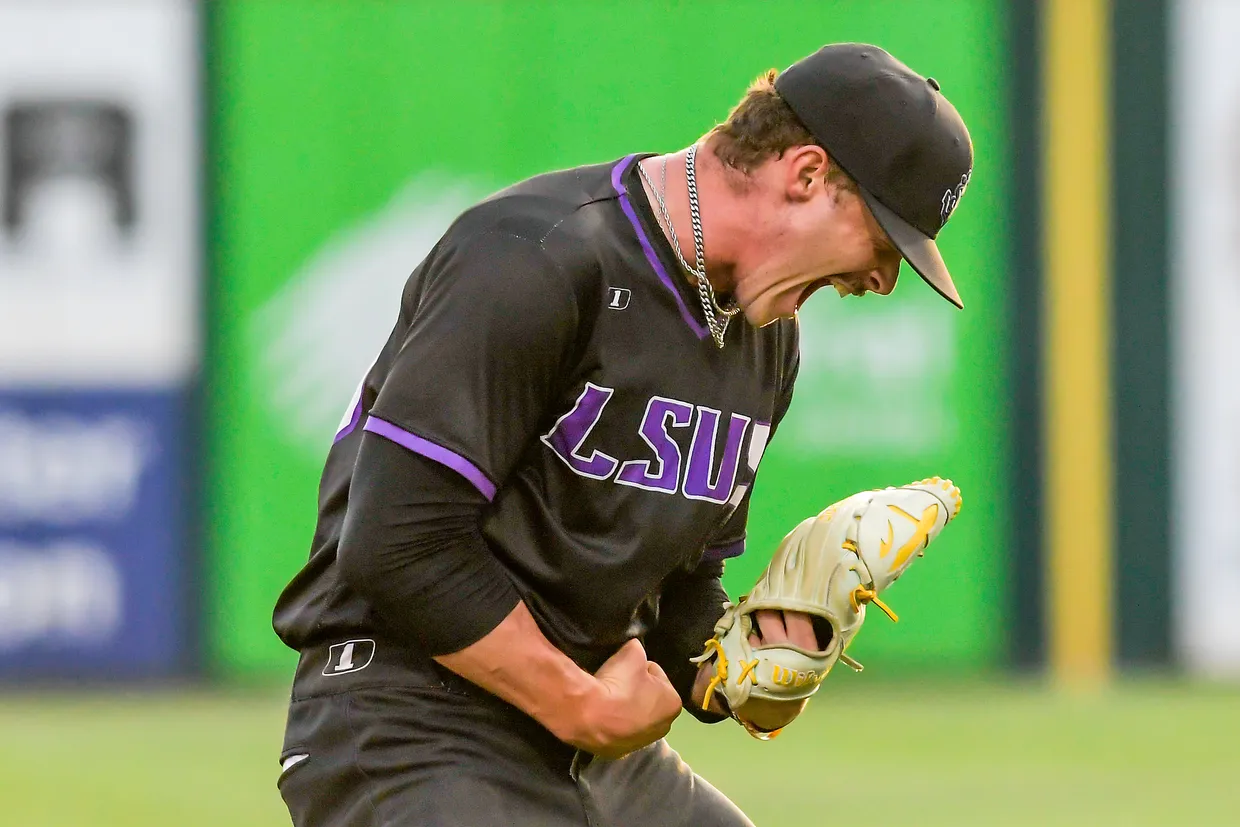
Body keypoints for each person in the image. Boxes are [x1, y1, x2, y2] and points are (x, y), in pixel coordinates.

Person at [271, 42, 973, 826]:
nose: (880, 280)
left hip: (589, 741)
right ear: (807, 174)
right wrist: (577, 702)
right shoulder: (536, 257)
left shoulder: (766, 339)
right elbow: (396, 544)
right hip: (407, 720)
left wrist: (740, 661)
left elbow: (680, 595)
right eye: (884, 240)